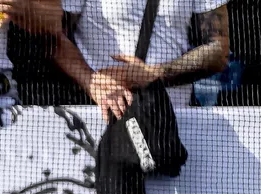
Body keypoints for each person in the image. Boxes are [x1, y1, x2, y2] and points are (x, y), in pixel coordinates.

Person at [53, 0, 229, 118]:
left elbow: (219, 51)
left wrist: (153, 75)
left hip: (174, 122)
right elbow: (53, 39)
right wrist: (91, 82)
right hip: (101, 119)